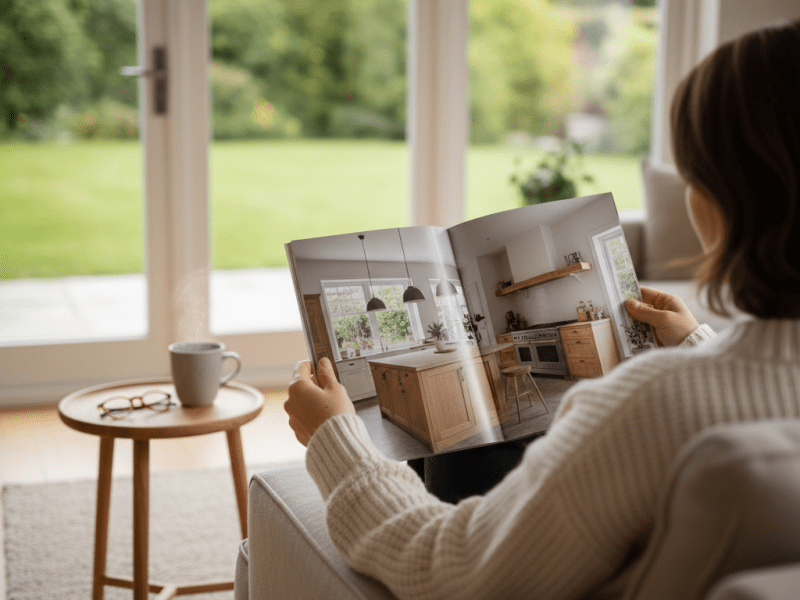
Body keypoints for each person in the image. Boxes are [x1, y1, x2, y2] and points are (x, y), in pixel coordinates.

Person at [284, 20, 800, 600]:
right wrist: (694, 339)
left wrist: (335, 436)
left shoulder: (649, 404)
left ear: (716, 199)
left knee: (453, 462)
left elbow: (447, 570)